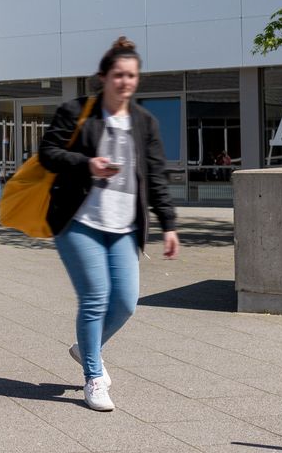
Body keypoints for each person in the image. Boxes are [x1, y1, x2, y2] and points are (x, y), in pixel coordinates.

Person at [40, 36, 179, 412]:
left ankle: (86, 347)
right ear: (103, 77)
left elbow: (155, 174)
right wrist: (87, 164)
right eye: (118, 75)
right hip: (78, 220)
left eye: (131, 75)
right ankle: (93, 376)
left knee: (126, 303)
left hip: (123, 225)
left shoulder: (144, 122)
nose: (125, 82)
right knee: (96, 297)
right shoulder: (76, 112)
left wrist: (168, 223)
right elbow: (48, 154)